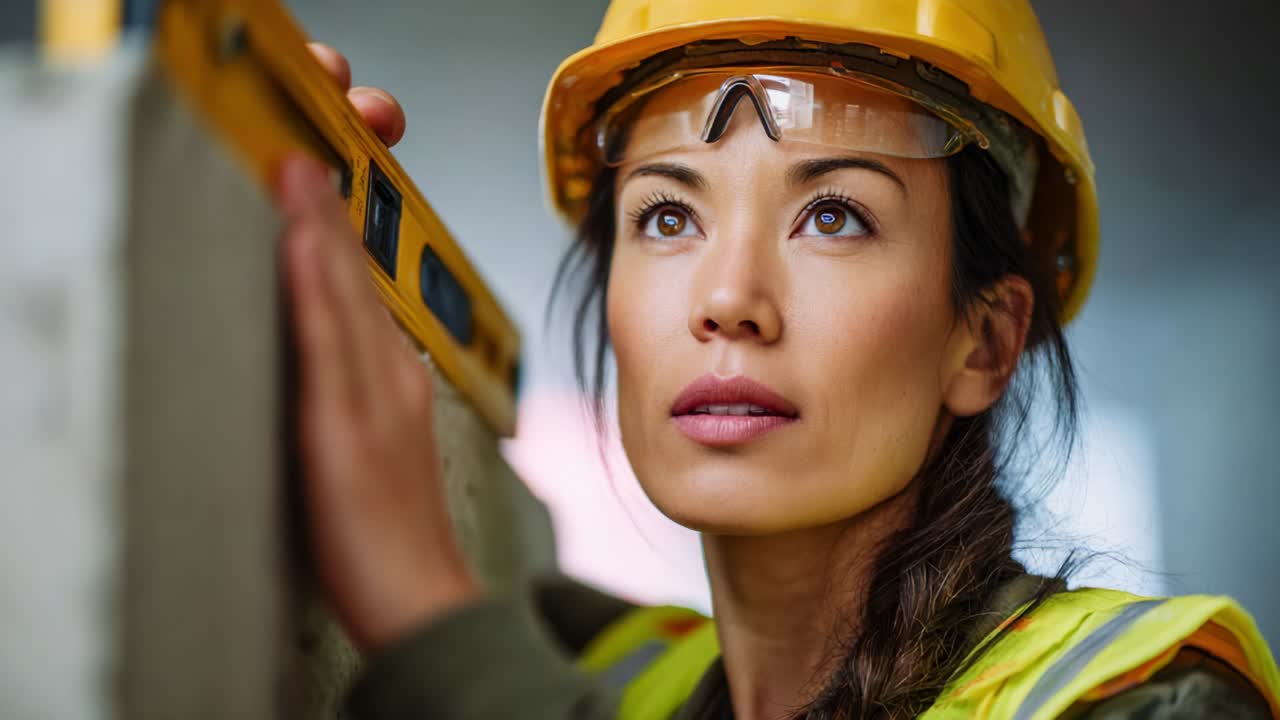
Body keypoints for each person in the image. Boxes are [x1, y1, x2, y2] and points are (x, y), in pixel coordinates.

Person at [273, 1, 1280, 718]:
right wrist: (245, 196)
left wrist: (431, 632)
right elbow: (446, 522)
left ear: (981, 341)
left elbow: (444, 604)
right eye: (666, 215)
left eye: (831, 216)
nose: (726, 300)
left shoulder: (1142, 703)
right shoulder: (624, 679)